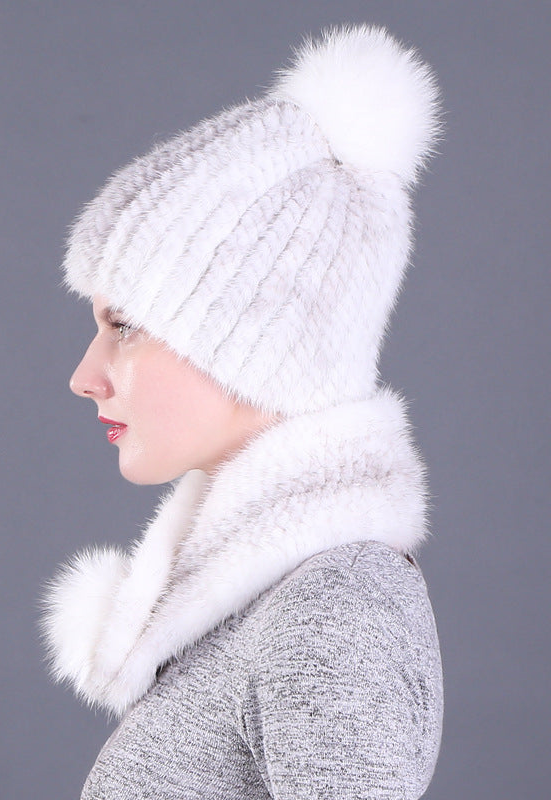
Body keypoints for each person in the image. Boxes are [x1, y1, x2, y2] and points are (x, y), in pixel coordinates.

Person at [41, 23, 444, 799]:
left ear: (259, 337)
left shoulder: (335, 605)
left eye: (125, 325)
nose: (84, 377)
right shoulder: (267, 599)